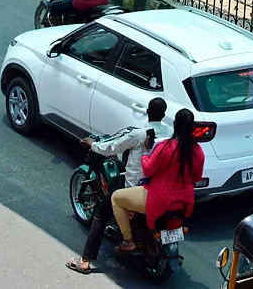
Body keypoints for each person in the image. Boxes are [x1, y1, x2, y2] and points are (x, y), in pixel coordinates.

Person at [66, 98, 172, 275]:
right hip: (162, 187)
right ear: (164, 114)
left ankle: (85, 261)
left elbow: (112, 147)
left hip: (138, 187)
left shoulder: (139, 135)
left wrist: (93, 144)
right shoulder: (171, 133)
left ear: (148, 112)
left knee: (101, 213)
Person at [110, 108, 204, 253]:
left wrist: (146, 153)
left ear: (175, 125)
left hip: (159, 199)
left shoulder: (165, 147)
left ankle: (128, 241)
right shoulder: (198, 151)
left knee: (116, 198)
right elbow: (196, 178)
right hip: (184, 202)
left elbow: (148, 170)